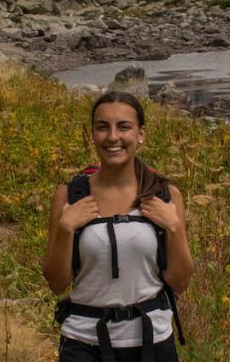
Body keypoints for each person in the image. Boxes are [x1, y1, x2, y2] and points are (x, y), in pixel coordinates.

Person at [43, 91, 194, 362]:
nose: (113, 137)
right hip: (83, 343)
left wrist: (174, 227)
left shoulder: (165, 196)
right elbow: (57, 283)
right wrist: (66, 228)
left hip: (152, 342)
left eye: (124, 126)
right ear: (92, 134)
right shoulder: (69, 196)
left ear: (141, 134)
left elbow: (180, 281)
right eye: (103, 127)